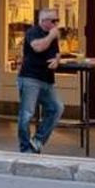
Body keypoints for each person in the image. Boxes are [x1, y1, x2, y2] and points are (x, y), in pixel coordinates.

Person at [17, 8, 64, 154]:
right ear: (44, 21)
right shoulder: (33, 32)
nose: (56, 23)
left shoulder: (53, 35)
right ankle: (25, 148)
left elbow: (56, 52)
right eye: (53, 21)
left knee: (56, 108)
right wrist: (51, 36)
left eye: (57, 20)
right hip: (31, 77)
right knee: (27, 114)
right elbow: (38, 47)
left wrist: (57, 60)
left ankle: (37, 140)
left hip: (47, 79)